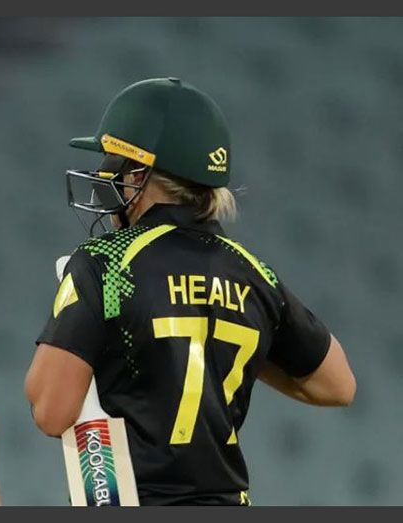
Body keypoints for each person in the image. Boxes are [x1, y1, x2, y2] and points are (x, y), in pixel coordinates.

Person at [25, 78, 356, 506]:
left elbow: (51, 410)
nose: (104, 174)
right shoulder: (254, 274)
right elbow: (338, 386)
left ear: (139, 174)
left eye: (112, 161)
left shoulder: (106, 263)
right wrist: (211, 342)